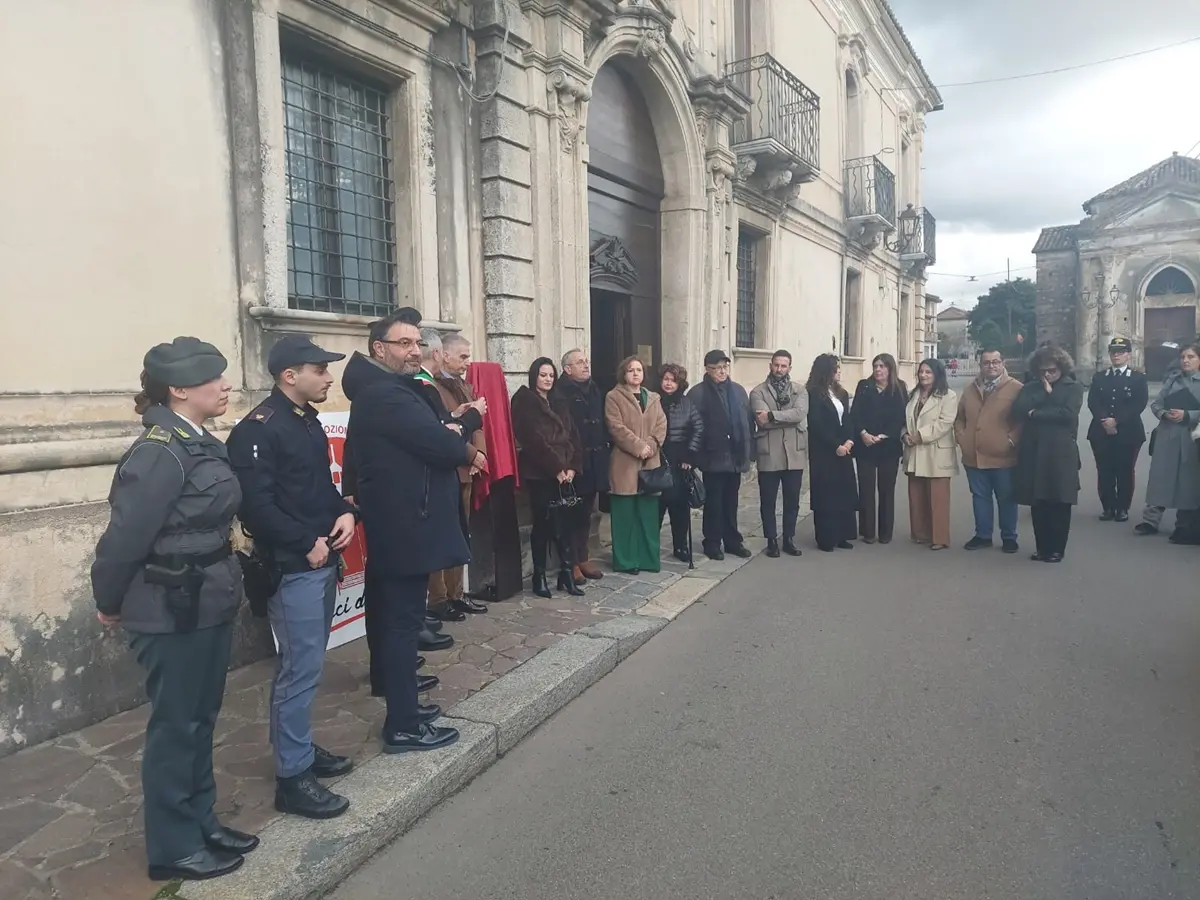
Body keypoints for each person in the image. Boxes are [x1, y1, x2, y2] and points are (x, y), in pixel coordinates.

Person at [91, 337, 256, 882]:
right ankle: (173, 846)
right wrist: (108, 600)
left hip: (204, 598)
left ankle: (200, 822)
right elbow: (124, 539)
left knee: (200, 719)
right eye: (214, 378)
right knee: (176, 726)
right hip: (169, 606)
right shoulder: (159, 452)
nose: (226, 386)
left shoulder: (198, 441)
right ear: (179, 390)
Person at [340, 312, 488, 753]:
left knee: (395, 619)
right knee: (403, 624)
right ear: (378, 348)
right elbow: (440, 444)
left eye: (417, 343)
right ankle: (403, 724)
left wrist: (449, 431)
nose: (414, 351)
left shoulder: (387, 388)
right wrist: (463, 429)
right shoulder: (385, 393)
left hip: (400, 519)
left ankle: (402, 702)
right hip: (405, 522)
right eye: (404, 343)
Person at [226, 335, 357, 820]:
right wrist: (306, 541)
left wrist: (346, 513)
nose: (328, 377)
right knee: (298, 671)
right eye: (319, 370)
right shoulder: (258, 430)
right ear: (289, 375)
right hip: (293, 566)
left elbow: (318, 489)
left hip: (319, 560)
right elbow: (256, 507)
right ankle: (292, 777)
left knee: (308, 666)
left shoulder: (307, 422)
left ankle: (297, 746)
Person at [420, 329, 489, 619]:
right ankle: (438, 598)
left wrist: (479, 455)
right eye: (462, 356)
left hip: (468, 468)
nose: (467, 362)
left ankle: (456, 593)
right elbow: (443, 428)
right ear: (443, 355)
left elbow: (477, 424)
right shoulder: (430, 386)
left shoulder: (463, 385)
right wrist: (470, 452)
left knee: (460, 535)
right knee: (441, 537)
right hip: (449, 467)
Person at [510, 358, 585, 597]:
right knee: (542, 524)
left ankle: (566, 572)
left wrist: (572, 467)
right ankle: (539, 576)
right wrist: (556, 468)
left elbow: (573, 435)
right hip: (540, 472)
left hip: (566, 473)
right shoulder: (524, 402)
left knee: (567, 523)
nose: (548, 380)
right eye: (543, 375)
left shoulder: (559, 401)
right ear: (534, 376)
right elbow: (532, 439)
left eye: (551, 375)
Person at [1012, 344, 1084, 562]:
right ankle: (1042, 547)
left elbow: (1067, 414)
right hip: (1035, 450)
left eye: (1052, 370)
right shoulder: (1031, 387)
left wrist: (1036, 413)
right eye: (1043, 371)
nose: (1047, 375)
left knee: (1059, 502)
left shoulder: (1073, 387)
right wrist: (1044, 393)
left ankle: (1056, 549)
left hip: (1060, 451)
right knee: (1039, 502)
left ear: (1061, 368)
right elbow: (1019, 409)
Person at [687, 349, 755, 560]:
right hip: (712, 457)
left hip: (735, 455)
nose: (722, 371)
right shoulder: (697, 393)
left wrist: (749, 450)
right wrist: (694, 456)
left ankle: (733, 541)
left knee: (731, 501)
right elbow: (691, 427)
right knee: (714, 503)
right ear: (707, 370)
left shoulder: (738, 391)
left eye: (725, 367)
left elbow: (747, 421)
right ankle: (712, 542)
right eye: (717, 368)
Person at [551, 350, 611, 582]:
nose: (586, 365)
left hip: (594, 461)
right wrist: (567, 463)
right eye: (579, 362)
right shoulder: (559, 393)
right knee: (571, 515)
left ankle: (583, 557)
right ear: (567, 369)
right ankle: (571, 562)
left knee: (586, 512)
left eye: (586, 361)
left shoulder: (594, 389)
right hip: (573, 462)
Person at [605, 356, 669, 573]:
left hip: (650, 462)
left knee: (648, 515)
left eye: (639, 370)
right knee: (625, 516)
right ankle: (626, 561)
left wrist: (650, 445)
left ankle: (648, 559)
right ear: (624, 374)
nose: (635, 373)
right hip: (625, 464)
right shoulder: (613, 397)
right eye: (631, 370)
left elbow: (661, 424)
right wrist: (638, 447)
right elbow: (616, 427)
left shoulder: (653, 397)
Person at [955, 347, 1022, 553]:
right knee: (979, 497)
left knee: (1006, 498)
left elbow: (1022, 421)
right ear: (980, 365)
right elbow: (960, 418)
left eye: (995, 362)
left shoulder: (1016, 388)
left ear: (1003, 364)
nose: (991, 366)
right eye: (986, 362)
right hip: (974, 456)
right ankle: (983, 535)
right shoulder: (970, 389)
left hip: (1003, 456)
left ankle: (1009, 537)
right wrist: (962, 438)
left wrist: (1011, 440)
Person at [1135, 343, 1200, 542]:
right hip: (1167, 433)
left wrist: (1187, 414)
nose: (1185, 361)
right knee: (1161, 477)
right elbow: (1156, 403)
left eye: (1190, 357)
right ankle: (1151, 520)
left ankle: (1183, 525)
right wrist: (1163, 413)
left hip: (1190, 436)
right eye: (1183, 357)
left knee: (1187, 481)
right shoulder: (1172, 379)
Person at [749, 350, 808, 557]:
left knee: (792, 501)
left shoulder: (800, 390)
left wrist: (773, 415)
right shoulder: (758, 392)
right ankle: (771, 540)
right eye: (776, 365)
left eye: (784, 366)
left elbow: (800, 414)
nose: (779, 369)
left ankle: (789, 538)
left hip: (794, 453)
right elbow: (761, 421)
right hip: (769, 452)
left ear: (790, 368)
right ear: (770, 366)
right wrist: (786, 419)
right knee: (768, 501)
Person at [1084, 337, 1148, 524]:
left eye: (1121, 352)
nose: (1116, 355)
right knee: (1105, 470)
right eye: (1113, 352)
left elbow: (1138, 403)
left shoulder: (1137, 378)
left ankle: (1122, 507)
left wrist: (1117, 420)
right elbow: (1093, 402)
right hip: (1101, 431)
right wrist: (1105, 420)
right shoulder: (1100, 377)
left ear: (1129, 355)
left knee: (1125, 470)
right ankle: (1108, 506)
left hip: (1128, 432)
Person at [903, 359, 959, 550]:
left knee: (938, 498)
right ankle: (920, 534)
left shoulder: (948, 396)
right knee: (917, 496)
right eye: (921, 372)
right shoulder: (914, 394)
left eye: (928, 372)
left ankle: (939, 538)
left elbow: (945, 423)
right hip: (914, 450)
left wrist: (919, 436)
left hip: (936, 451)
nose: (923, 375)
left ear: (937, 374)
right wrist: (904, 434)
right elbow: (906, 420)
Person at [851, 353, 906, 545]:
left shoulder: (899, 388)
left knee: (886, 489)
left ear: (890, 369)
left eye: (882, 366)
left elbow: (901, 416)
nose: (878, 370)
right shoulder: (864, 386)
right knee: (866, 489)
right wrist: (863, 433)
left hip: (888, 446)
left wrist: (884, 435)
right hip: (865, 445)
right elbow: (855, 413)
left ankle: (885, 532)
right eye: (875, 366)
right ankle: (867, 531)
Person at [806, 353, 858, 552]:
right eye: (835, 368)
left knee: (843, 492)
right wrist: (836, 445)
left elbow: (847, 419)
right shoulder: (813, 394)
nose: (839, 372)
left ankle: (842, 535)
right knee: (826, 494)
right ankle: (826, 537)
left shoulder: (841, 393)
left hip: (844, 449)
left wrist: (849, 440)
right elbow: (816, 424)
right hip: (824, 452)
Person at [657, 363, 704, 563]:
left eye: (673, 381)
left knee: (679, 506)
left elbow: (698, 428)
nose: (668, 384)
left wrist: (689, 456)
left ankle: (680, 545)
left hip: (679, 459)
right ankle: (651, 547)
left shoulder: (687, 403)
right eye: (666, 379)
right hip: (658, 458)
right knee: (657, 505)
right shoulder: (654, 400)